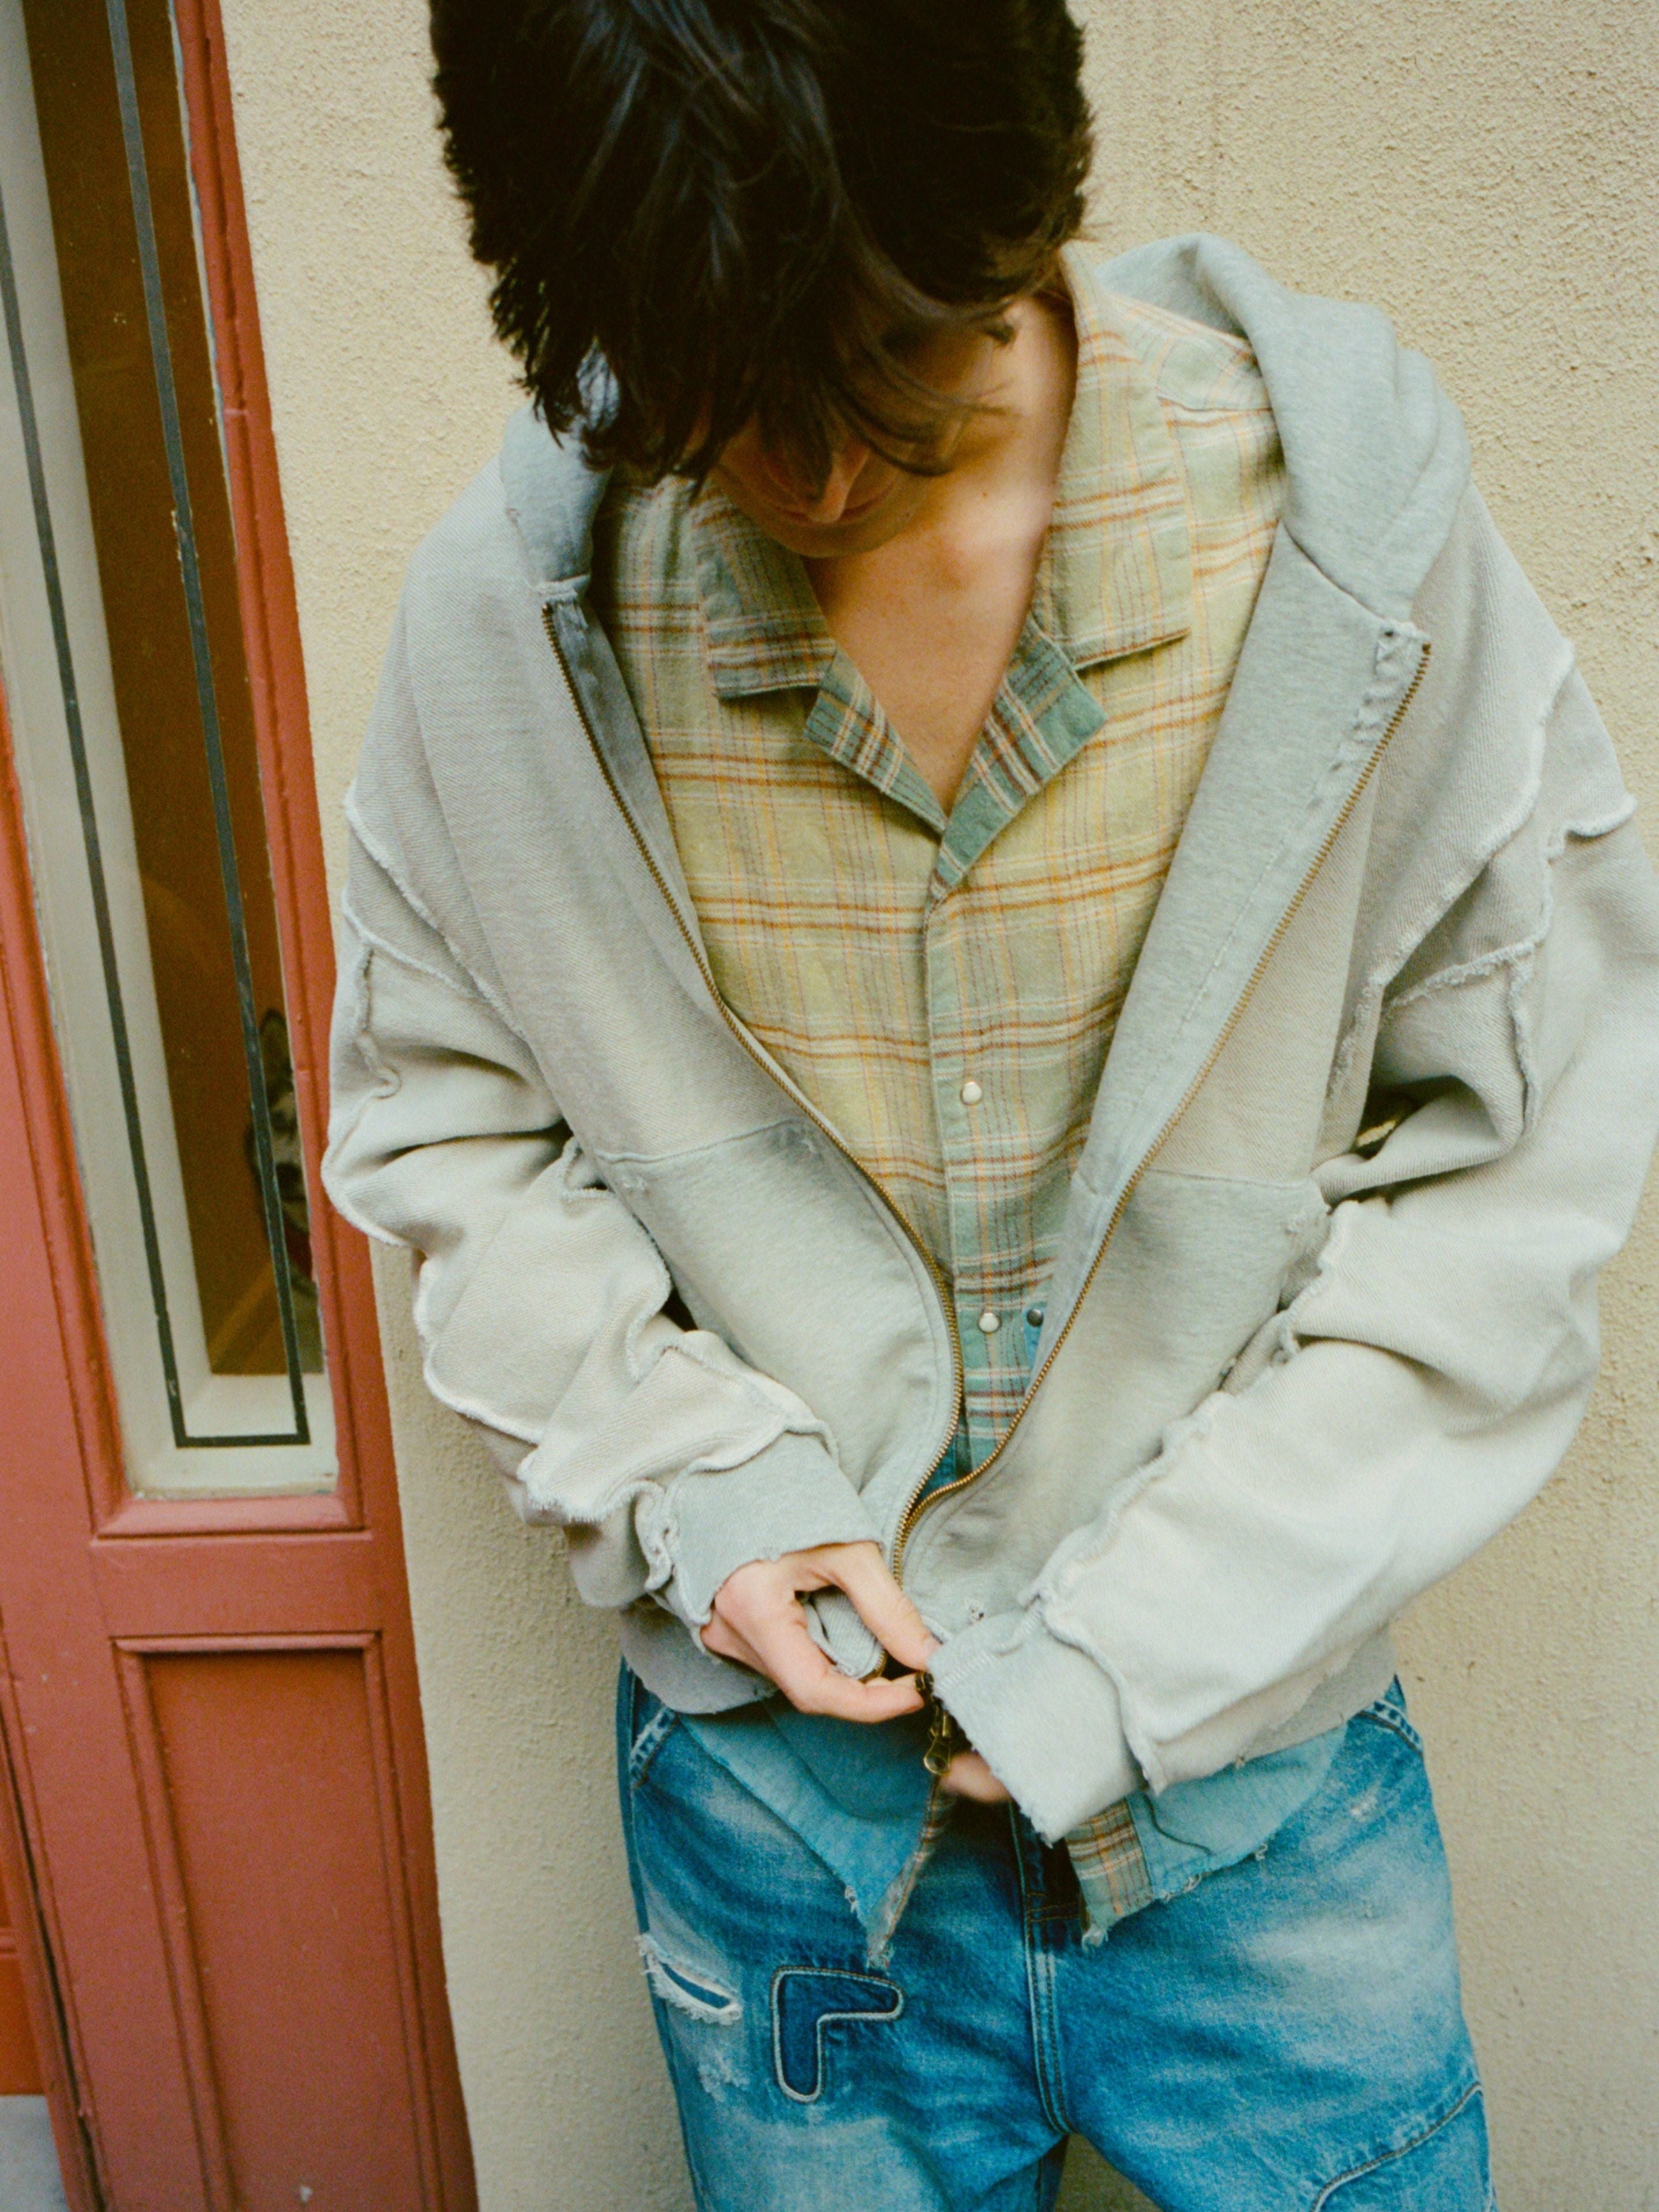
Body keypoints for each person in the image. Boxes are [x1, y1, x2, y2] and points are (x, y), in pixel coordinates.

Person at [321, 2, 1659, 2205]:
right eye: (719, 423)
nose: (819, 489)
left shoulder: (1349, 569)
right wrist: (710, 1493)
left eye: (888, 394)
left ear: (1031, 193)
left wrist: (1129, 1656)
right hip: (777, 1843)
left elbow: (1514, 1171)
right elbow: (452, 1135)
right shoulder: (502, 634)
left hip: (1260, 1801)